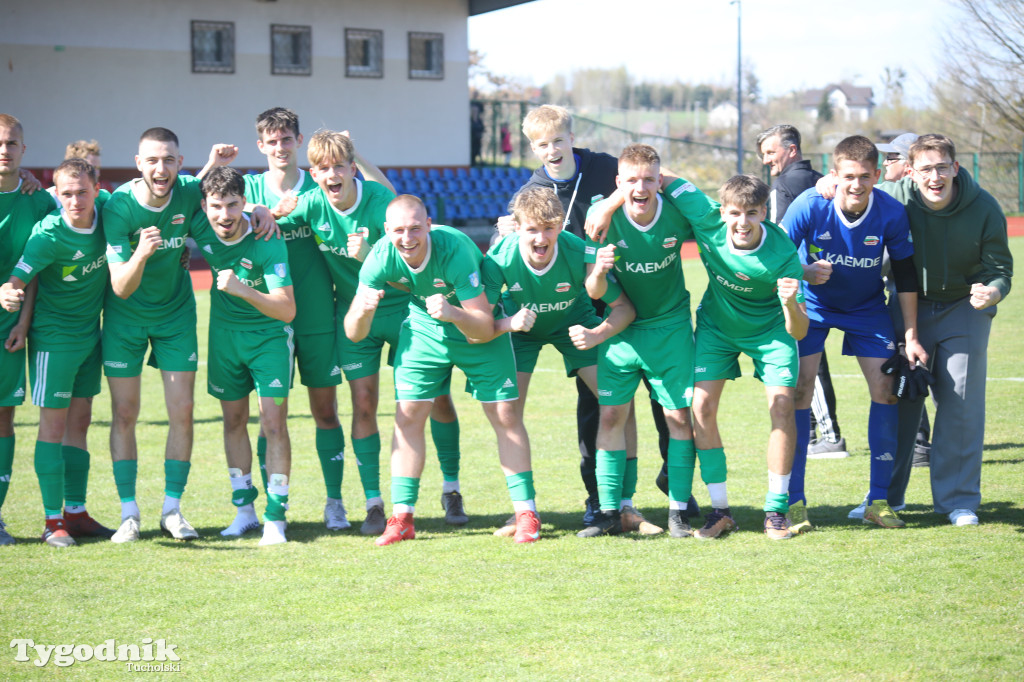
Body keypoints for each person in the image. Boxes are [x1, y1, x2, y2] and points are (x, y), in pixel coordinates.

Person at [497, 104, 699, 526]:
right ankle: (601, 500)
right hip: (589, 303)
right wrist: (510, 229)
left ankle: (676, 482)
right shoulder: (532, 189)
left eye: (558, 141)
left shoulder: (603, 166)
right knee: (602, 404)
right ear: (533, 149)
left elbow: (654, 177)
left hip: (639, 296)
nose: (552, 150)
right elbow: (528, 232)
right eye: (542, 145)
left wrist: (607, 204)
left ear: (572, 138)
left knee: (667, 402)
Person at [276, 130, 465, 535]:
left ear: (351, 168)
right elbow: (263, 220)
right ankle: (374, 503)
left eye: (338, 166)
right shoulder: (310, 204)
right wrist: (273, 210)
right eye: (322, 169)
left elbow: (409, 256)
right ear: (313, 173)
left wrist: (370, 258)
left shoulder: (379, 201)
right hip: (356, 314)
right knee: (363, 403)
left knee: (436, 400)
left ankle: (451, 488)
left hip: (406, 312)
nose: (331, 175)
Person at [101, 127, 274, 543]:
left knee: (182, 412)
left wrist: (261, 211)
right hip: (125, 318)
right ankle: (128, 513)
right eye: (153, 160)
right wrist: (142, 252)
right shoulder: (119, 207)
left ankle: (172, 509)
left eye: (169, 160)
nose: (161, 169)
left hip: (176, 317)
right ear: (139, 163)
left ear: (180, 164)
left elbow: (225, 216)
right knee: (125, 414)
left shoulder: (188, 191)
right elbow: (121, 286)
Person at [344, 195, 540, 545]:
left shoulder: (455, 251)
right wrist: (361, 312)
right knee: (408, 415)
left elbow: (482, 327)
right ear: (386, 231)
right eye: (399, 230)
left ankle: (526, 513)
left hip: (475, 322)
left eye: (416, 228)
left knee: (505, 414)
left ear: (429, 226)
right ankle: (402, 518)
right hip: (425, 326)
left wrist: (453, 313)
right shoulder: (378, 259)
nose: (408, 238)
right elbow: (353, 334)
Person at [479, 186, 657, 536]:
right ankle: (524, 512)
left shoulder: (580, 252)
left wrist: (597, 335)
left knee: (618, 403)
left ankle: (623, 506)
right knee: (505, 412)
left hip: (574, 324)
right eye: (531, 229)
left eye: (548, 228)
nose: (541, 237)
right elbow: (480, 322)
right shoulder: (499, 257)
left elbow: (624, 309)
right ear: (517, 228)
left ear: (560, 225)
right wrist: (506, 324)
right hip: (520, 329)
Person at [782, 134, 926, 532]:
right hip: (813, 306)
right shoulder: (810, 205)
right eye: (849, 176)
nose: (857, 184)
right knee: (799, 391)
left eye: (865, 176)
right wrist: (803, 273)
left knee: (885, 391)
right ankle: (794, 502)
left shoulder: (891, 213)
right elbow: (774, 254)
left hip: (867, 309)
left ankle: (878, 501)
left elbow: (906, 276)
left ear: (877, 174)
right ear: (834, 174)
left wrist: (910, 334)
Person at [661, 172, 808, 540]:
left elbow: (798, 331)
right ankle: (720, 511)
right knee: (702, 408)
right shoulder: (707, 216)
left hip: (771, 332)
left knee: (782, 407)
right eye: (735, 213)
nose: (742, 222)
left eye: (752, 213)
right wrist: (609, 207)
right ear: (722, 211)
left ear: (764, 213)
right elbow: (656, 175)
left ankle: (776, 511)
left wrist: (790, 302)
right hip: (717, 328)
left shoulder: (783, 254)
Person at [879, 134, 1011, 526]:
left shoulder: (984, 207)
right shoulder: (892, 197)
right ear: (910, 171)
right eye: (925, 169)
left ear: (955, 167)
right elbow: (853, 188)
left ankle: (958, 501)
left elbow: (1000, 269)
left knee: (961, 401)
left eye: (941, 167)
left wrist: (993, 292)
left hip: (963, 308)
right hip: (907, 306)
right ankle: (886, 498)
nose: (934, 177)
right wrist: (826, 183)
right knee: (897, 398)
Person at [580, 144, 698, 539]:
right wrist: (599, 268)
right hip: (621, 328)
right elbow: (595, 290)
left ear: (660, 181)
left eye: (649, 179)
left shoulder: (677, 212)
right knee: (612, 415)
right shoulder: (602, 215)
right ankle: (611, 510)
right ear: (618, 183)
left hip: (670, 327)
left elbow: (718, 219)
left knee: (679, 417)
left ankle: (678, 509)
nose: (640, 187)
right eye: (631, 180)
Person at [241, 108, 348, 532]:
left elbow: (373, 193)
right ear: (260, 146)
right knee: (272, 415)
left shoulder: (319, 185)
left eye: (287, 139)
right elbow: (202, 198)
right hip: (268, 320)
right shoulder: (247, 188)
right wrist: (258, 209)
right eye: (272, 141)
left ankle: (335, 502)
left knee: (325, 411)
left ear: (298, 141)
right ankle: (272, 510)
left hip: (318, 315)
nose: (280, 147)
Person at [0, 158, 113, 546]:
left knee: (80, 424)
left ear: (97, 189)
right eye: (66, 194)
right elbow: (19, 277)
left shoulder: (108, 211)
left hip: (90, 337)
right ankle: (52, 522)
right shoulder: (47, 232)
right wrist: (10, 295)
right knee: (52, 427)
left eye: (82, 192)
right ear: (55, 194)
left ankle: (76, 512)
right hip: (54, 340)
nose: (75, 201)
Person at [191, 167, 296, 545]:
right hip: (224, 341)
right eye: (216, 206)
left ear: (242, 204)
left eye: (233, 205)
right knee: (233, 421)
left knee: (273, 422)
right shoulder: (202, 226)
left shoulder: (268, 239)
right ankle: (244, 511)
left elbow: (287, 310)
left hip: (268, 339)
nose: (224, 215)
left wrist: (241, 290)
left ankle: (276, 517)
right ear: (205, 206)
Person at [757, 124, 847, 459]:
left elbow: (778, 240)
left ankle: (830, 435)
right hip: (831, 276)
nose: (767, 161)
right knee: (808, 359)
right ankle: (811, 433)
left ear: (791, 149)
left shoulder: (784, 184)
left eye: (771, 152)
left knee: (808, 359)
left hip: (801, 284)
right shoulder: (822, 179)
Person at [0, 113, 57, 545]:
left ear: (24, 148)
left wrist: (23, 320)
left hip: (10, 329)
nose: (4, 150)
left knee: (5, 417)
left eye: (11, 143)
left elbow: (37, 269)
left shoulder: (38, 201)